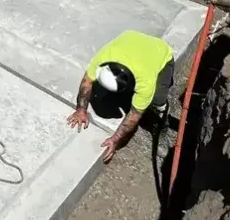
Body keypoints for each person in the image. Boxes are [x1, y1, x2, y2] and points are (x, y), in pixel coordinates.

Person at [66, 30, 175, 163]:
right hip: (132, 38)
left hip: (161, 52)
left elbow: (134, 116)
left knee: (158, 101)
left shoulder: (145, 82)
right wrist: (81, 109)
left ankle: (162, 127)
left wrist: (115, 140)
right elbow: (87, 82)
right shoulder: (103, 58)